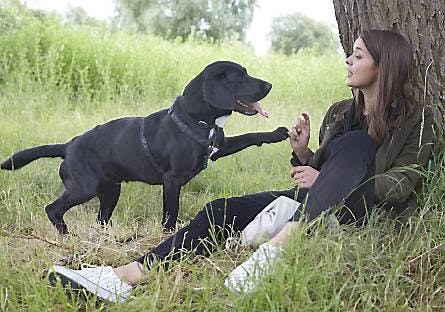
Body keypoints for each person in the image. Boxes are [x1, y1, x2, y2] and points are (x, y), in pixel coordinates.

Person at [48, 29, 434, 303]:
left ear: (385, 66)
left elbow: (403, 182)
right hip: (318, 204)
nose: (349, 59)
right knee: (218, 210)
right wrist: (302, 153)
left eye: (359, 54)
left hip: (360, 210)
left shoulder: (416, 119)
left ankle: (280, 246)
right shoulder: (339, 112)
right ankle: (124, 277)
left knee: (354, 144)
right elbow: (318, 173)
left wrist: (321, 178)